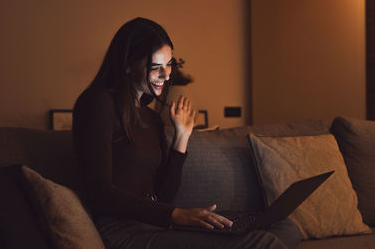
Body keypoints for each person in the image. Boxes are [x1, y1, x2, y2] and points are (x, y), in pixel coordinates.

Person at [72, 17, 301, 248]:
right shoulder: (97, 102)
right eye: (156, 67)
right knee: (261, 242)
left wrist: (182, 137)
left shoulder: (152, 118)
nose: (166, 75)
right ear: (127, 65)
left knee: (282, 227)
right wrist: (175, 215)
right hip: (124, 233)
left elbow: (164, 196)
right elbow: (99, 192)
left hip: (158, 225)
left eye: (169, 64)